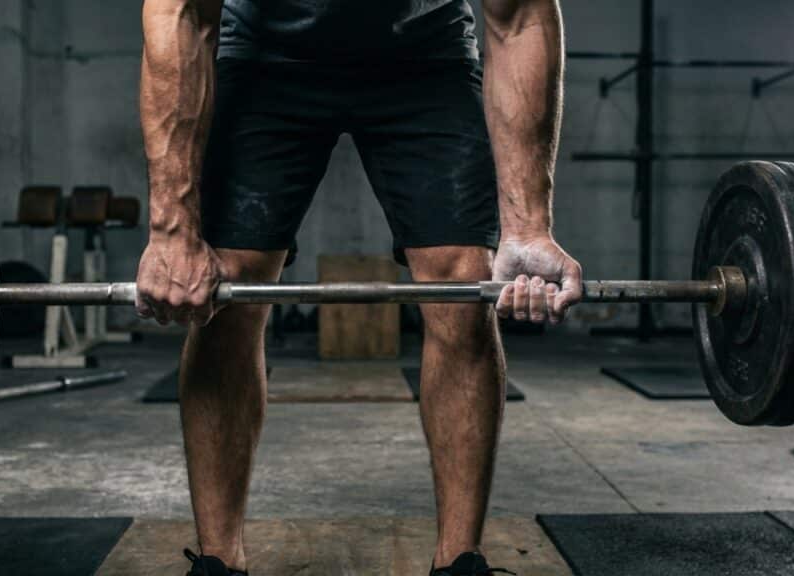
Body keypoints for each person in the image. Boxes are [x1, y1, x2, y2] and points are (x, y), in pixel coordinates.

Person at [136, 0, 581, 573]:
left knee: (463, 282)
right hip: (265, 57)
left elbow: (518, 17)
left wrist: (527, 227)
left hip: (425, 55)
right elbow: (179, 14)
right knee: (229, 287)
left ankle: (459, 561)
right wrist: (173, 230)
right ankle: (219, 561)